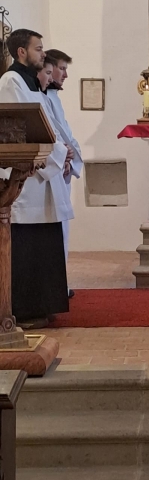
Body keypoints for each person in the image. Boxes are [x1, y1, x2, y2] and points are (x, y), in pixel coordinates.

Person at [0, 29, 74, 328]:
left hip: (42, 174)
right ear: (21, 52)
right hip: (27, 179)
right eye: (38, 49)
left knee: (43, 242)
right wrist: (59, 153)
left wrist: (62, 152)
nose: (44, 54)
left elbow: (49, 125)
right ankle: (24, 309)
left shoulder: (31, 82)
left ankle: (42, 305)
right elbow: (23, 127)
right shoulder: (11, 81)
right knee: (27, 246)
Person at [45, 49, 83, 299]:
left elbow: (64, 132)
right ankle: (55, 285)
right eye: (61, 68)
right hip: (53, 168)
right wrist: (64, 155)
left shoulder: (52, 97)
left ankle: (60, 282)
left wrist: (69, 154)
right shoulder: (40, 96)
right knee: (54, 231)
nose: (65, 75)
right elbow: (52, 133)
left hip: (61, 165)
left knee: (62, 231)